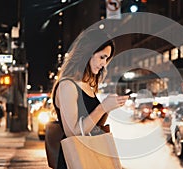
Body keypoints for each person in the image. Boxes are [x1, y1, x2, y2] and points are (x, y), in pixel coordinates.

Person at [51, 28, 129, 169]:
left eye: (107, 59)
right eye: (102, 57)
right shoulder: (68, 85)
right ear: (88, 53)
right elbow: (73, 132)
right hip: (76, 158)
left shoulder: (86, 86)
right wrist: (102, 107)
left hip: (92, 155)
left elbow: (93, 126)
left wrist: (108, 109)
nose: (104, 64)